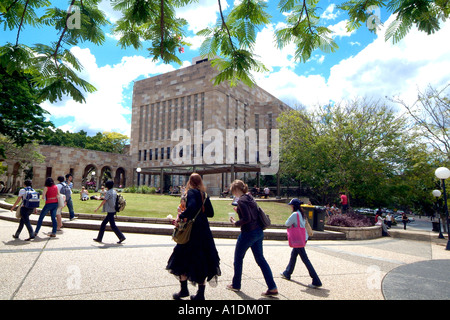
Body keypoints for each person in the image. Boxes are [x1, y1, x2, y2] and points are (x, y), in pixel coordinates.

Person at [166, 173, 221, 300]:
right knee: (202, 260)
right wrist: (201, 210)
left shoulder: (191, 193)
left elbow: (190, 208)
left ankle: (184, 289)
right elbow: (211, 213)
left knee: (181, 258)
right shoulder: (204, 195)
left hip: (192, 232)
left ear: (190, 182)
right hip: (204, 231)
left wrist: (181, 214)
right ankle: (200, 294)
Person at [226, 179, 278, 297]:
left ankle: (236, 284)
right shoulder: (250, 198)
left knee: (238, 259)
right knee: (261, 260)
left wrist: (235, 223)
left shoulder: (241, 201)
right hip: (258, 231)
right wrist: (239, 211)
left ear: (236, 190)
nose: (233, 193)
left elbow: (247, 219)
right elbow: (252, 213)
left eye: (233, 191)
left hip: (248, 233)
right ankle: (272, 287)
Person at [280, 198, 322, 288]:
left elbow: (287, 223)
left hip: (298, 239)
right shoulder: (302, 214)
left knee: (305, 259)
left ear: (293, 206)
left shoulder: (295, 214)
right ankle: (287, 272)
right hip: (303, 238)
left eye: (291, 205)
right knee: (294, 255)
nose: (290, 207)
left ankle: (316, 280)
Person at [93, 180, 126, 244]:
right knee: (106, 224)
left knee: (111, 225)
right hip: (113, 210)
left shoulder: (108, 192)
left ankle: (121, 237)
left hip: (111, 210)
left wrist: (97, 208)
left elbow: (104, 200)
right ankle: (99, 238)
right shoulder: (114, 192)